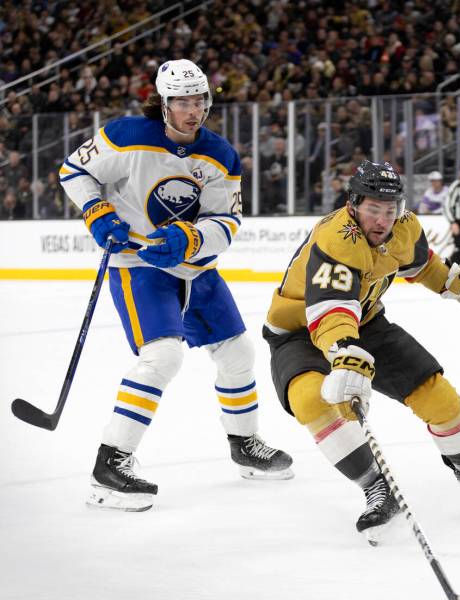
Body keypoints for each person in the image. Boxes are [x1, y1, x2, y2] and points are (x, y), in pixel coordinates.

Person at [59, 59, 293, 512]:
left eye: (199, 100)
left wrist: (191, 238)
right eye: (182, 101)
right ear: (162, 104)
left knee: (238, 353)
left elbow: (227, 219)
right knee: (162, 356)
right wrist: (97, 212)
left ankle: (244, 445)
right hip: (137, 264)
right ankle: (110, 466)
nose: (193, 110)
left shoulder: (220, 153)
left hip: (193, 267)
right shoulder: (124, 136)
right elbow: (74, 171)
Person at [262, 160, 460, 545]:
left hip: (365, 322)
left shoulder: (402, 228)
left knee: (436, 392)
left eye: (389, 209)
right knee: (311, 401)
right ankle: (374, 488)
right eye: (372, 209)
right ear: (352, 205)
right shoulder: (337, 237)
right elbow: (331, 308)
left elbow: (422, 264)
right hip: (298, 331)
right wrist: (345, 353)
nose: (382, 219)